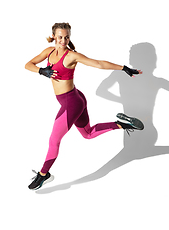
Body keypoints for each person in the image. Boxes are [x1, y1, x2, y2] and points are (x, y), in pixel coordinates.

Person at [25, 23, 144, 190]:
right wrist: (41, 71)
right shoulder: (48, 52)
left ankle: (44, 174)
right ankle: (124, 124)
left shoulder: (71, 56)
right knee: (87, 134)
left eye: (66, 37)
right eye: (60, 37)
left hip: (71, 103)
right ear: (53, 36)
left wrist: (124, 68)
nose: (63, 40)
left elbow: (98, 64)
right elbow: (28, 64)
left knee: (54, 140)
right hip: (76, 98)